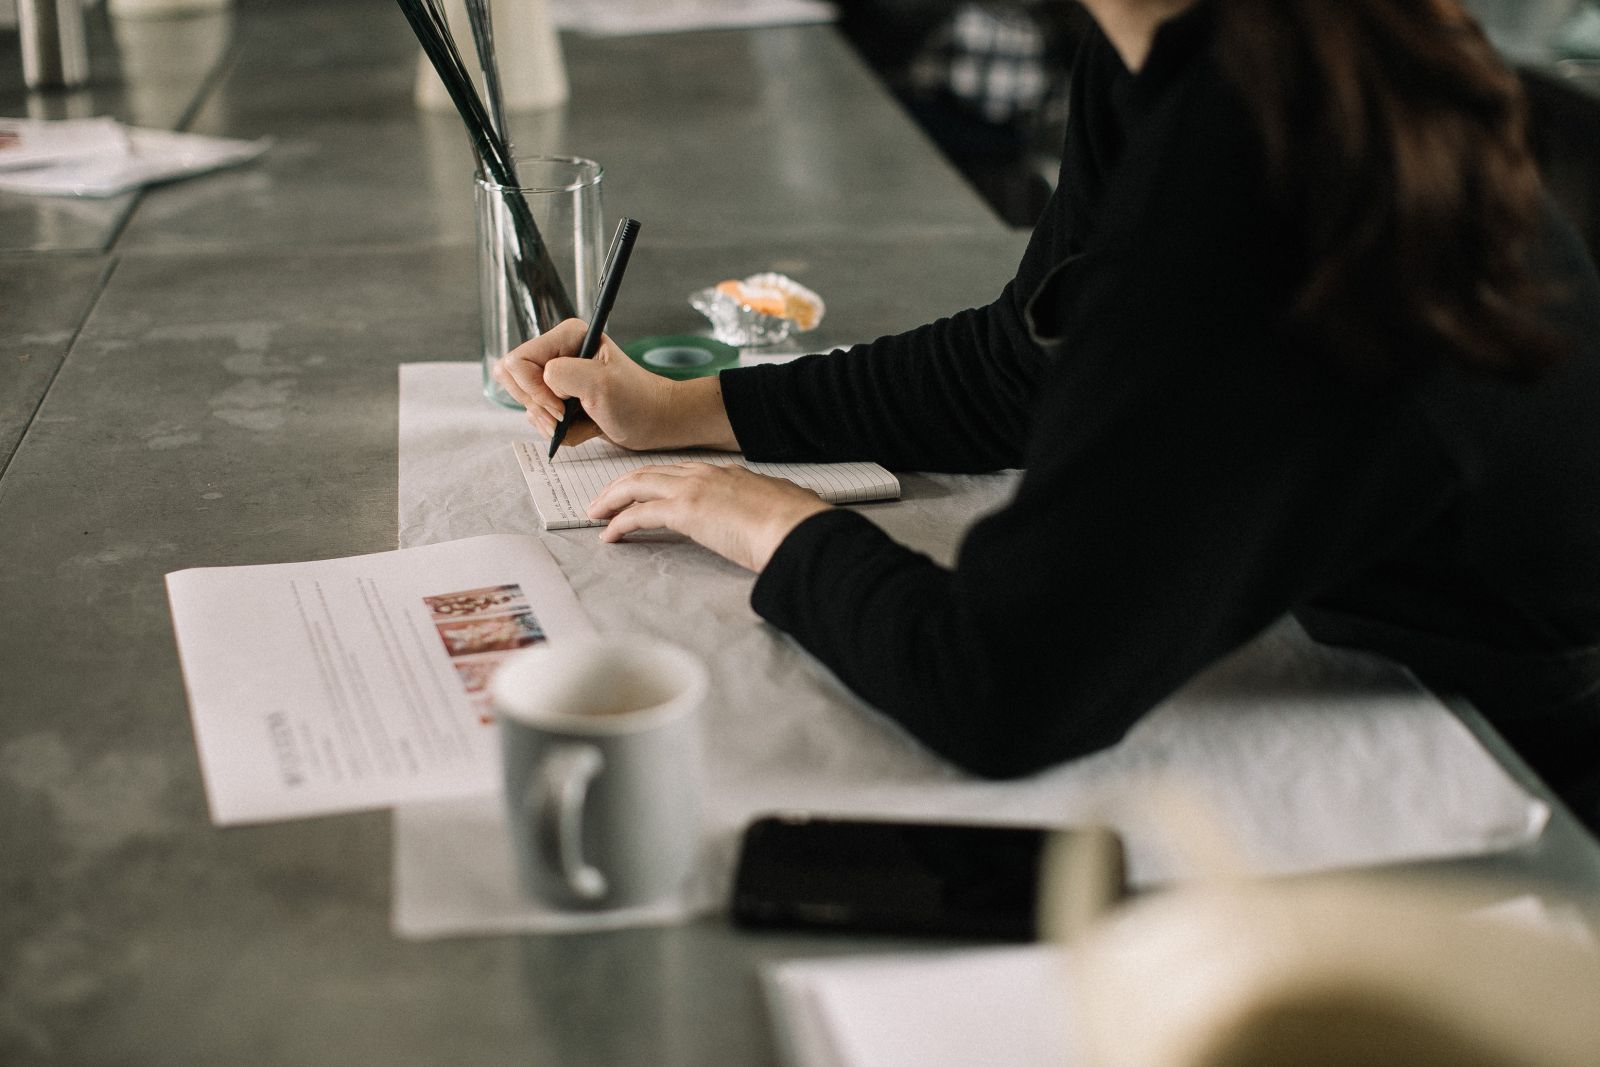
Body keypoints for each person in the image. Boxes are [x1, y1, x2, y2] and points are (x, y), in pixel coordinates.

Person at [494, 0, 1600, 832]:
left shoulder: (1260, 168)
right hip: (1356, 659)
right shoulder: (1180, 59)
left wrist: (770, 524)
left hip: (1509, 785)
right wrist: (689, 406)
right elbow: (1025, 365)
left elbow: (1003, 688)